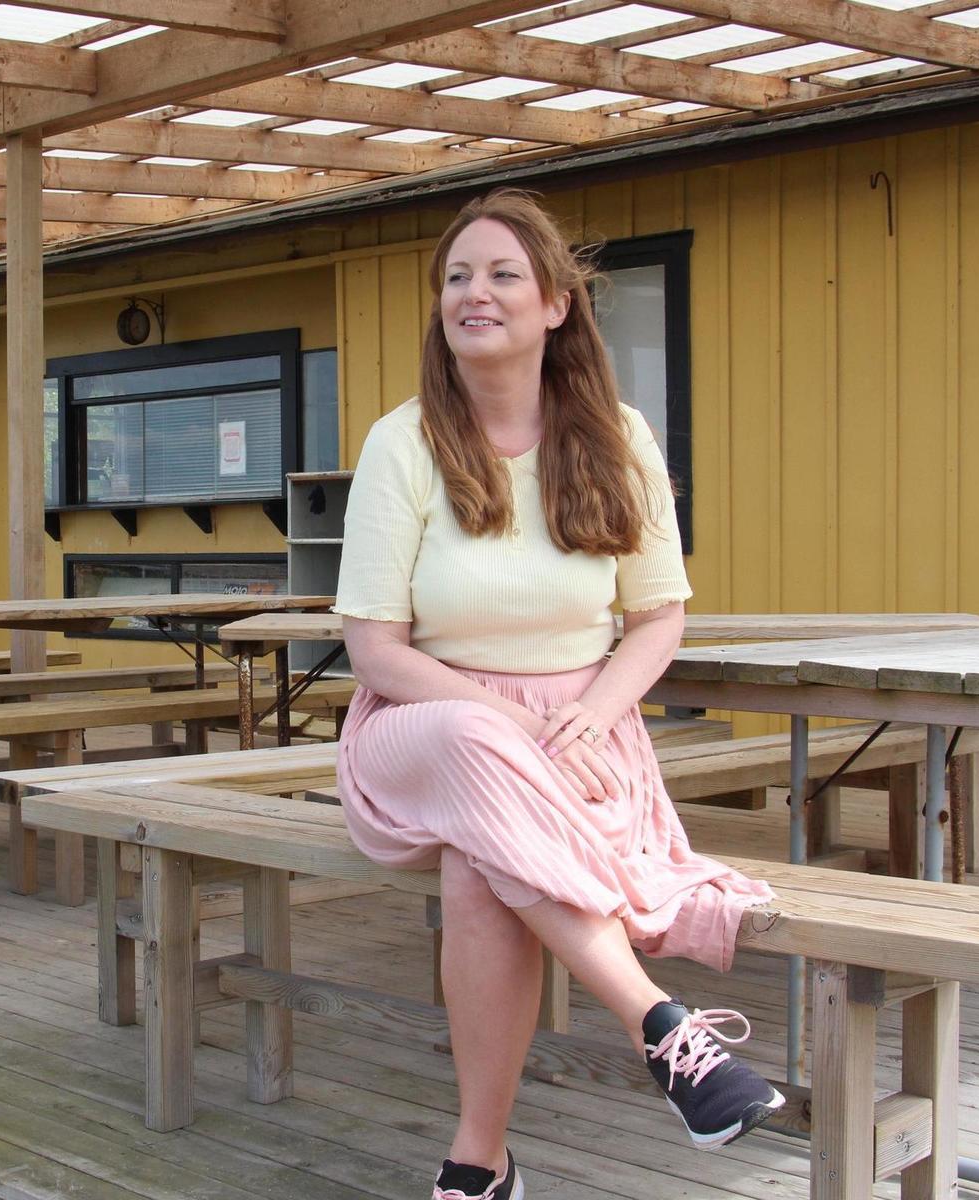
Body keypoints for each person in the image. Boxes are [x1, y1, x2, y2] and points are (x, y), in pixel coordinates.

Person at [333, 189, 783, 1200]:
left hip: (583, 738)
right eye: (456, 276)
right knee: (469, 745)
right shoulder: (400, 443)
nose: (472, 294)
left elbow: (658, 617)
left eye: (501, 275)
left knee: (482, 867)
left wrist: (587, 714)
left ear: (555, 306)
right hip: (420, 728)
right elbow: (374, 649)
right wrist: (520, 723)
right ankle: (659, 1025)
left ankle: (478, 1161)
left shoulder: (617, 436)